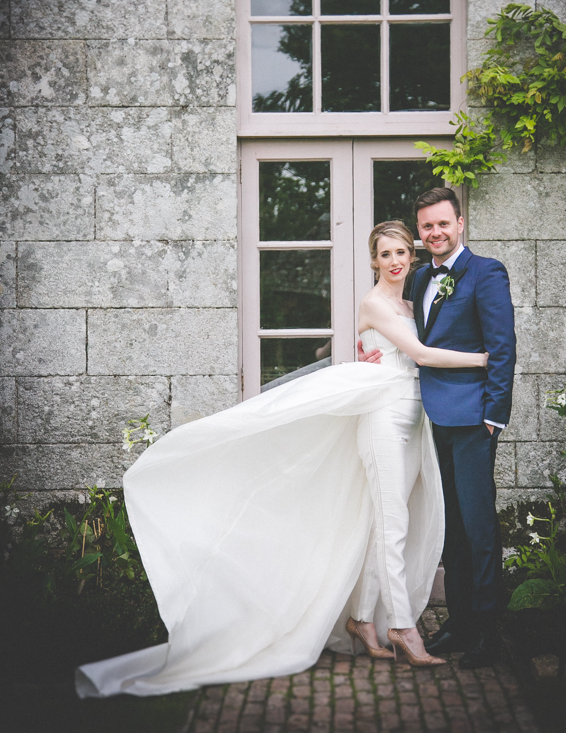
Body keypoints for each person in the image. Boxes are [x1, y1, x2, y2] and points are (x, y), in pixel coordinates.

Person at [76, 221, 488, 698]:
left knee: (387, 524)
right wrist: (485, 359)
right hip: (382, 420)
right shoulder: (374, 303)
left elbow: (407, 352)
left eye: (402, 252)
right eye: (386, 254)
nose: (396, 261)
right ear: (373, 260)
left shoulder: (410, 303)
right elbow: (418, 352)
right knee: (392, 524)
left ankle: (360, 620)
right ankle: (402, 628)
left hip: (417, 417)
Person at [359, 189, 516, 669]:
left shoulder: (486, 272)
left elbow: (503, 347)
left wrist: (494, 415)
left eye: (442, 224)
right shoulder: (421, 277)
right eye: (426, 227)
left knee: (479, 527)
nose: (435, 233)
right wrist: (364, 353)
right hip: (429, 420)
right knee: (453, 532)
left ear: (460, 223)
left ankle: (489, 633)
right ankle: (461, 624)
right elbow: (403, 339)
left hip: (472, 421)